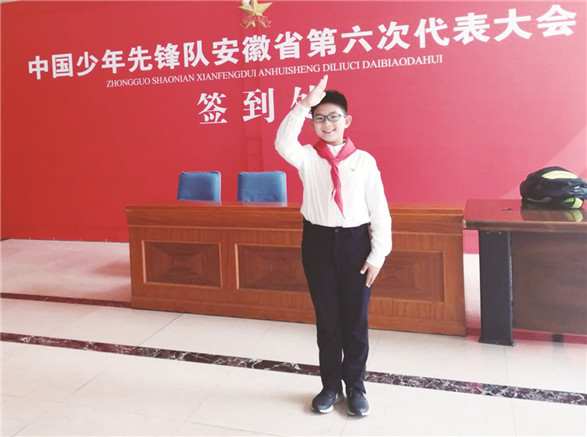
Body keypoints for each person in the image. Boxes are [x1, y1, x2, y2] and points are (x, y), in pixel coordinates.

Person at [274, 74, 392, 417]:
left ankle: (356, 387)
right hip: (318, 243)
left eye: (333, 117)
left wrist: (378, 255)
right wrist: (303, 106)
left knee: (355, 320)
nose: (327, 124)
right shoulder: (307, 158)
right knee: (327, 320)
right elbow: (283, 142)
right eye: (320, 118)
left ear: (347, 121)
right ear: (313, 124)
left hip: (356, 243)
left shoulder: (364, 161)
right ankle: (330, 387)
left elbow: (379, 210)